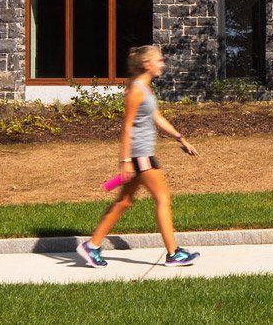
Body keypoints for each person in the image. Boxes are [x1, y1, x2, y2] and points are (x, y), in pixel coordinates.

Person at [79, 44, 199, 267]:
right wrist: (125, 161)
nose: (162, 64)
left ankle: (92, 246)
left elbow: (158, 118)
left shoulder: (145, 89)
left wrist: (180, 138)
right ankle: (173, 253)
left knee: (124, 201)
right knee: (163, 199)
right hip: (140, 155)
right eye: (159, 60)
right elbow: (126, 127)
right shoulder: (135, 90)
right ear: (147, 64)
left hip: (139, 155)